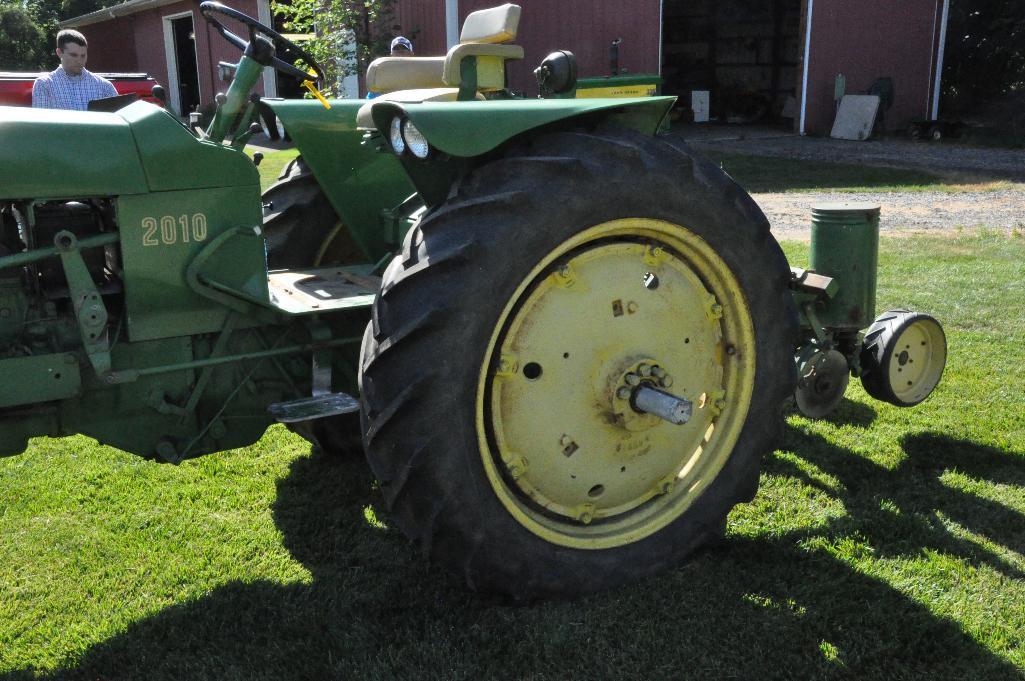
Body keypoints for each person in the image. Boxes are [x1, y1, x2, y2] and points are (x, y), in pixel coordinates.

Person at [32, 29, 117, 111]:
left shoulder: (105, 86)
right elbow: (43, 124)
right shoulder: (44, 85)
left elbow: (117, 121)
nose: (79, 60)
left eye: (83, 55)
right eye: (73, 55)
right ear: (59, 53)